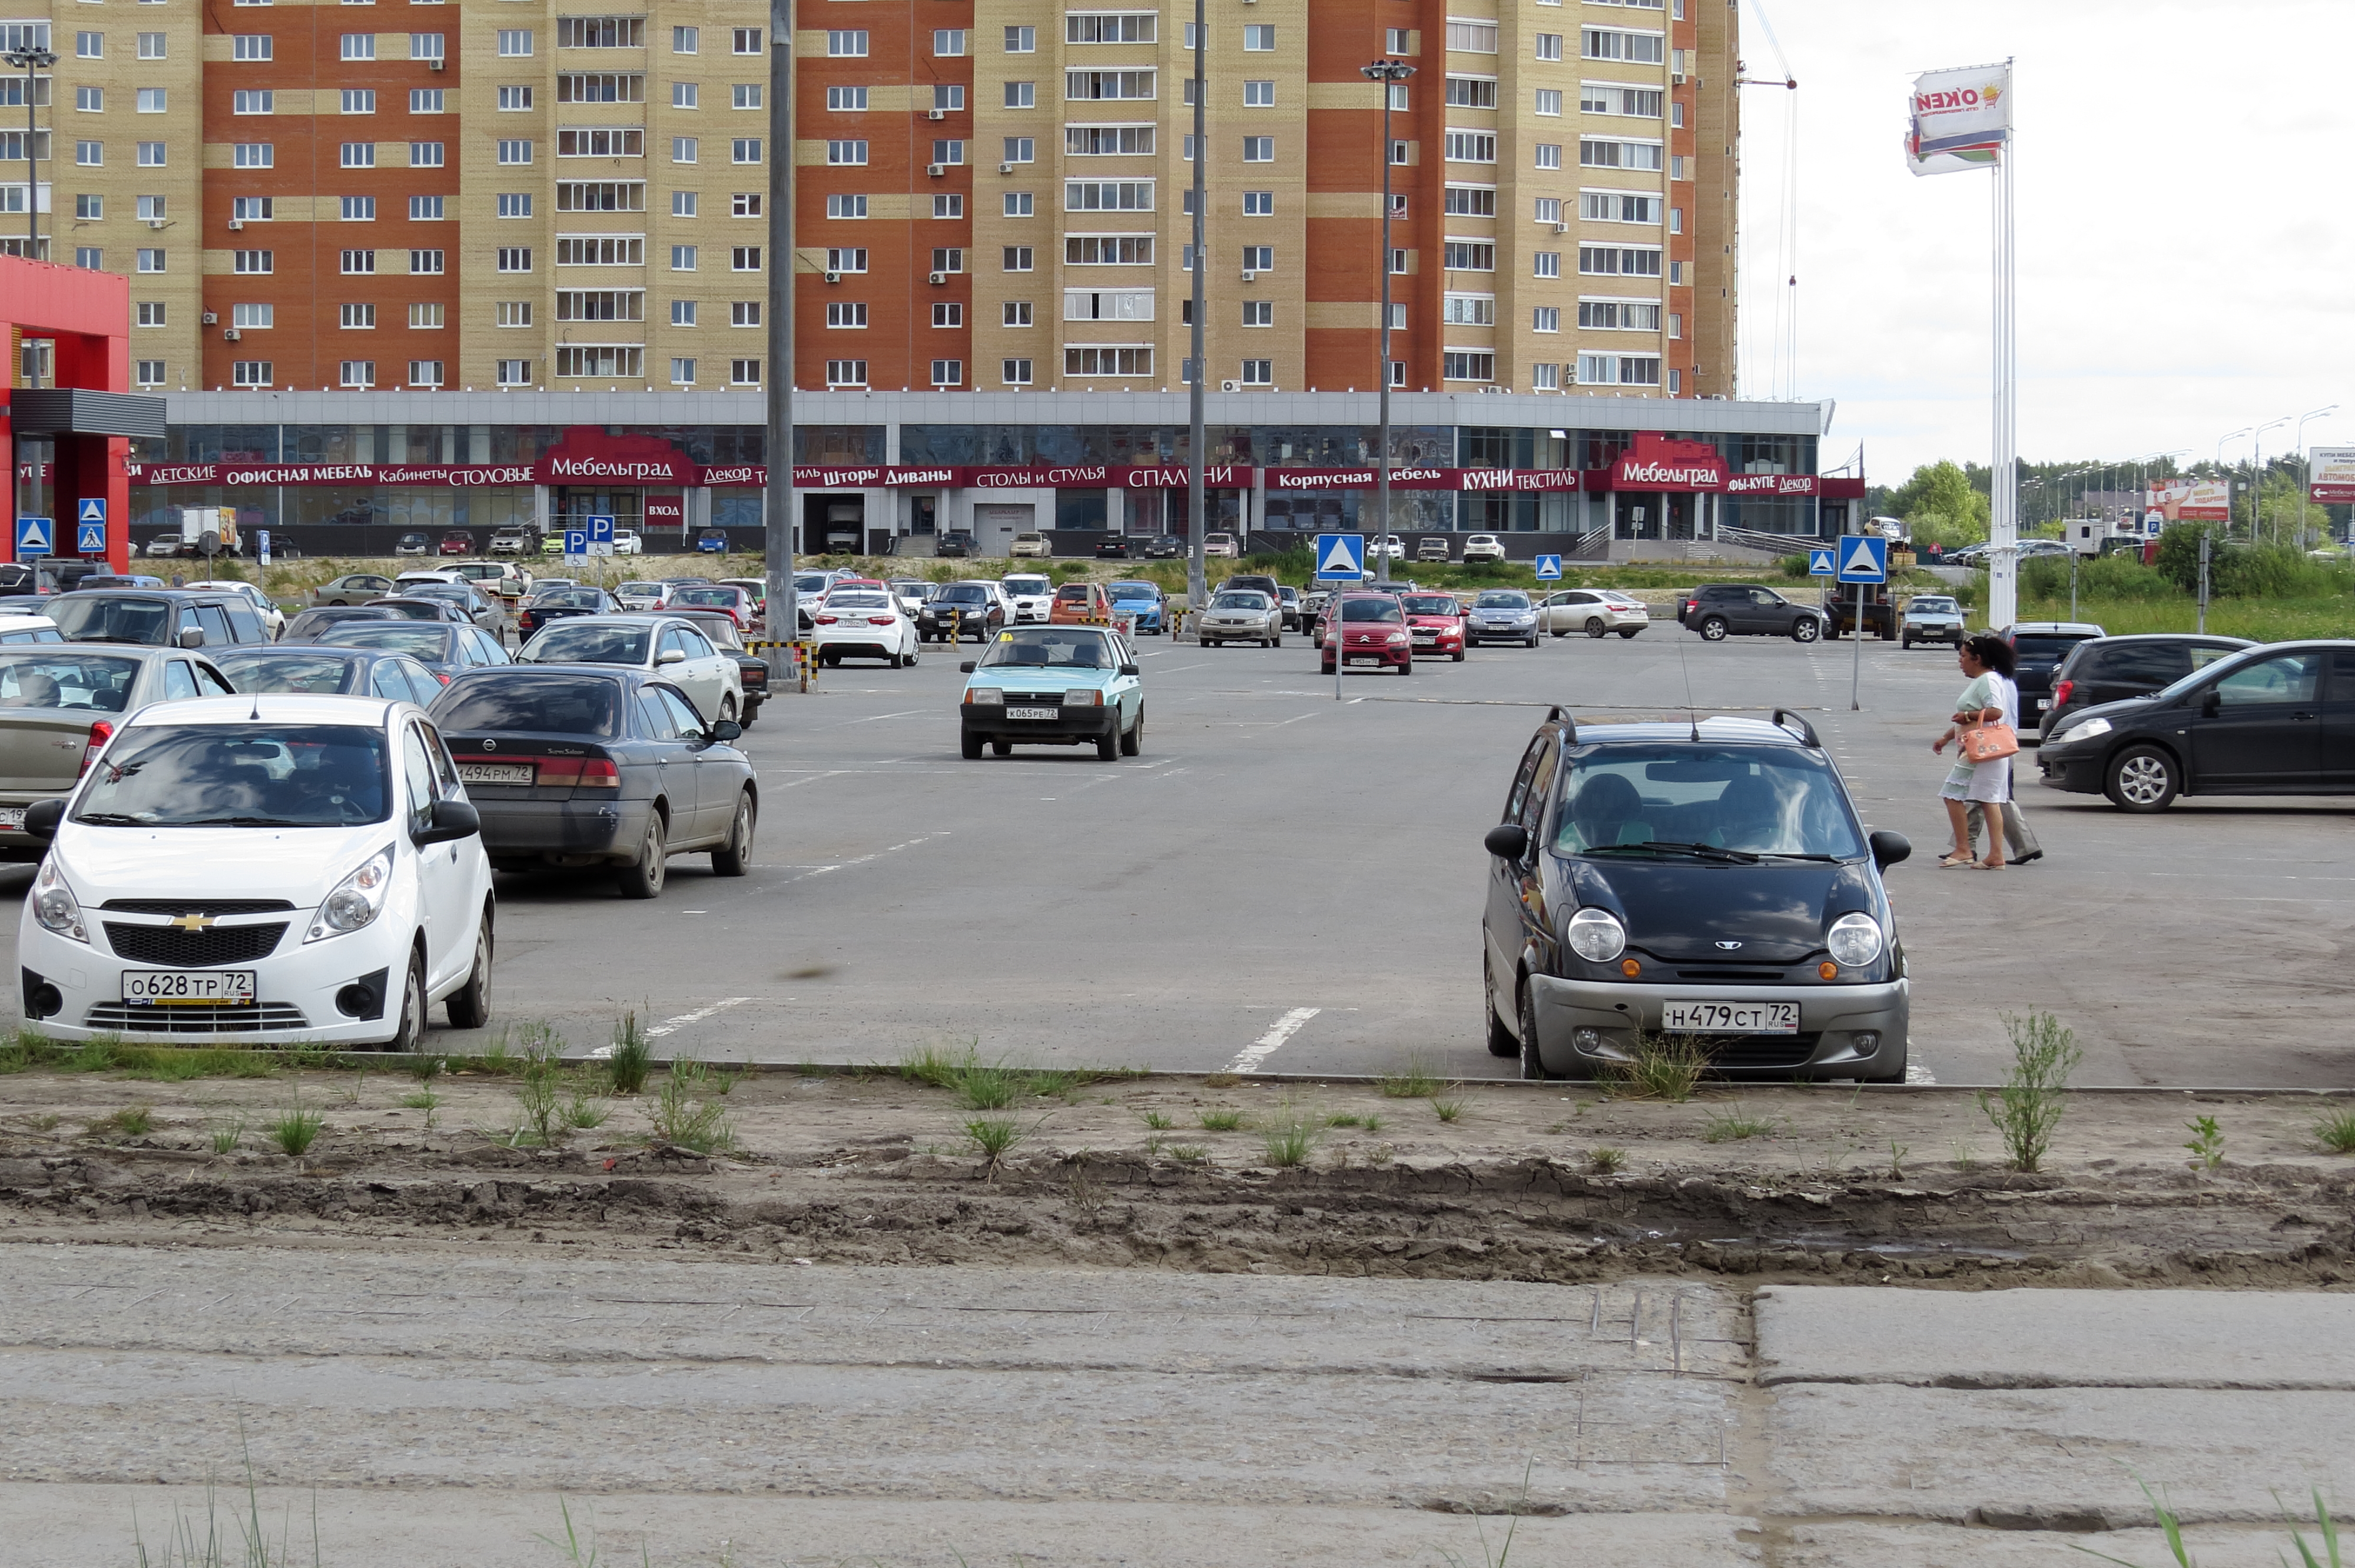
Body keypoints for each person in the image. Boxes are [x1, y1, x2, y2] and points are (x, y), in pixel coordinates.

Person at [1931, 633, 2019, 869]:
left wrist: (1967, 716)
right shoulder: (1985, 680)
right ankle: (1996, 856)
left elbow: (1996, 712)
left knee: (1952, 795)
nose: (1961, 661)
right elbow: (1966, 718)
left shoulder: (1988, 680)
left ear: (1977, 659)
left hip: (1979, 750)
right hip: (1980, 749)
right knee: (1989, 800)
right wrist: (1947, 737)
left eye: (1964, 657)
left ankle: (1963, 849)